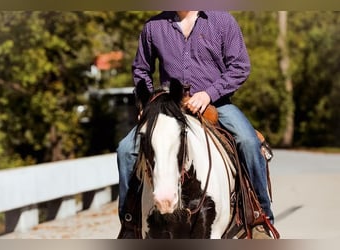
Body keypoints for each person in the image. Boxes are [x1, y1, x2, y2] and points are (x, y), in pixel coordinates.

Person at [117, 11, 274, 225]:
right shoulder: (153, 27)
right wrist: (146, 103)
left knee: (248, 141)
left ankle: (260, 216)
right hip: (170, 107)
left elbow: (240, 67)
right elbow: (141, 69)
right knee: (126, 150)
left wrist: (209, 93)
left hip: (216, 104)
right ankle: (129, 221)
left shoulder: (222, 21)